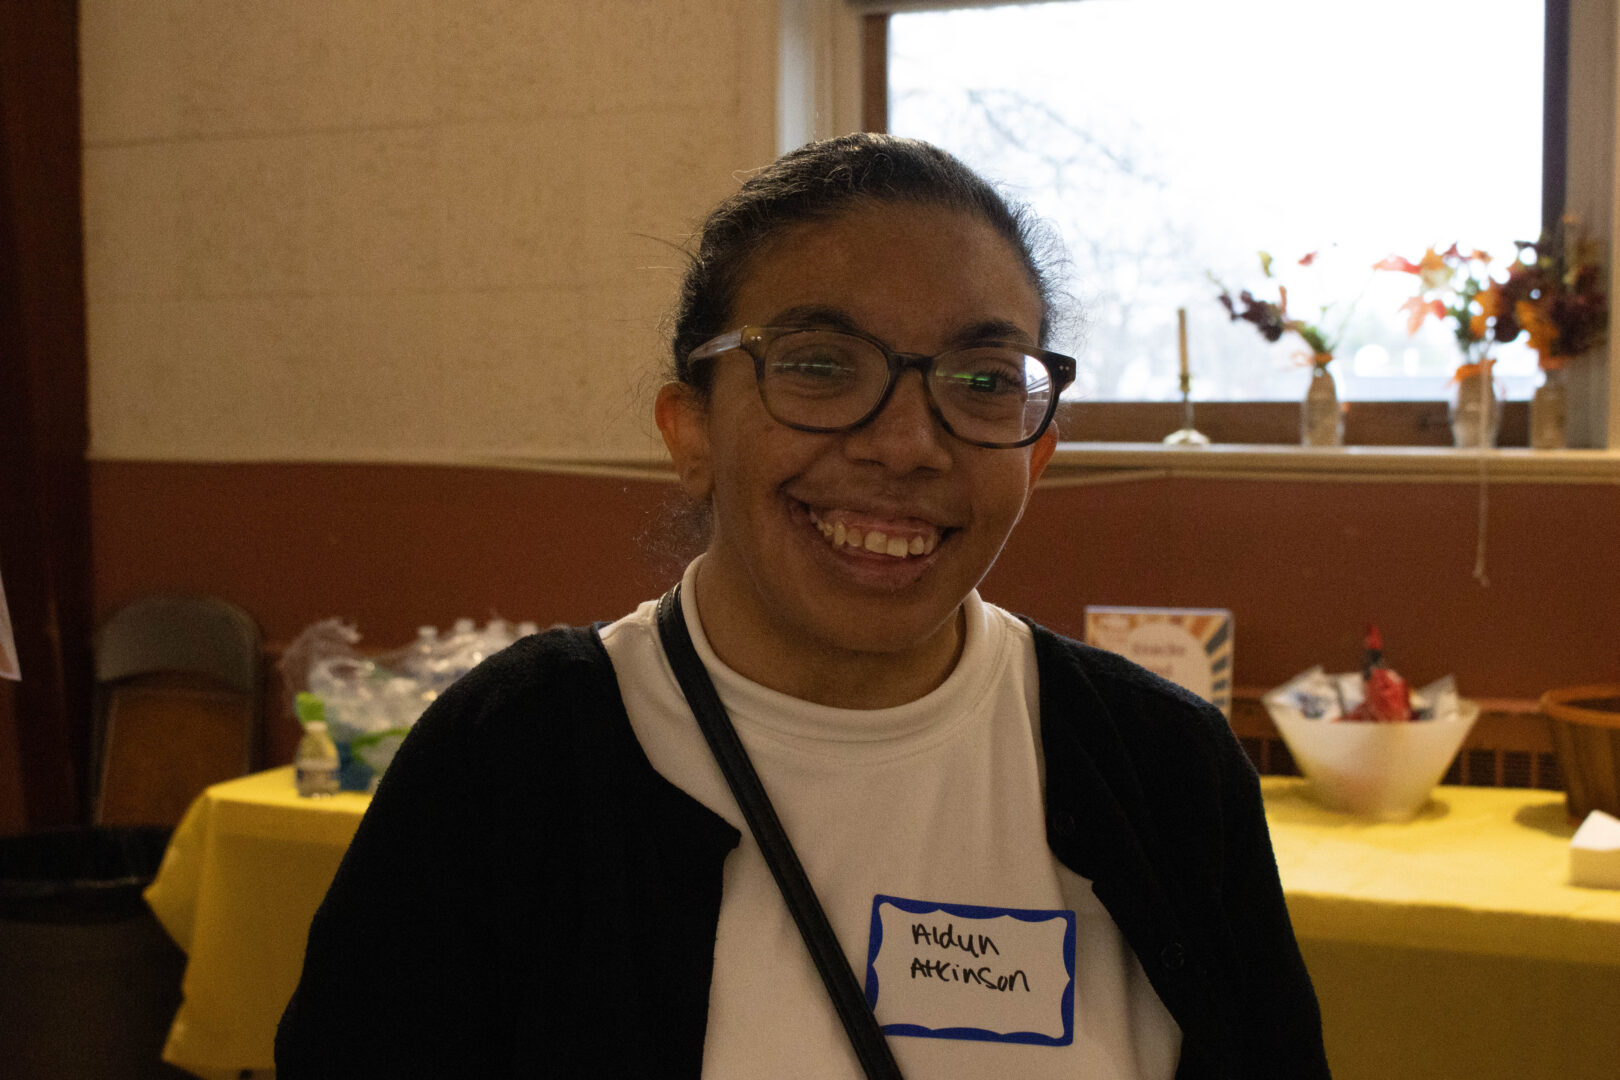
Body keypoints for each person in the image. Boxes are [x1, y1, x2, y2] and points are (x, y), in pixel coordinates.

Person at [275, 134, 1330, 1079]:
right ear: (691, 431)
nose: (908, 442)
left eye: (981, 381)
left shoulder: (1162, 769)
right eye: (822, 367)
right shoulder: (510, 762)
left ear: (1039, 454)